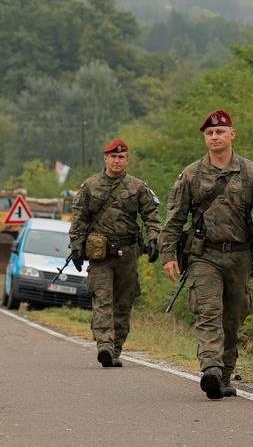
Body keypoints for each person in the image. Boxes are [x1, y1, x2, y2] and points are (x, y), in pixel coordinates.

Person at [159, 109, 253, 400]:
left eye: (220, 132)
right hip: (204, 256)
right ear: (205, 138)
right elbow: (174, 218)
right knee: (208, 310)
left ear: (231, 135)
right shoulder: (191, 175)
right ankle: (210, 368)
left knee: (233, 317)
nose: (215, 136)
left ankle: (224, 375)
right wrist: (168, 254)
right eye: (210, 133)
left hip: (240, 257)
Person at [69, 138, 161, 368]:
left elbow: (151, 215)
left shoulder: (138, 187)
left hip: (128, 254)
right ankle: (105, 345)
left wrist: (154, 240)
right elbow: (79, 218)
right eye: (113, 156)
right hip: (100, 255)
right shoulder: (90, 186)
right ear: (105, 158)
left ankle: (115, 348)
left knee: (123, 303)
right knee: (102, 299)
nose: (117, 161)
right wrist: (77, 246)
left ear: (127, 160)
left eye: (121, 157)